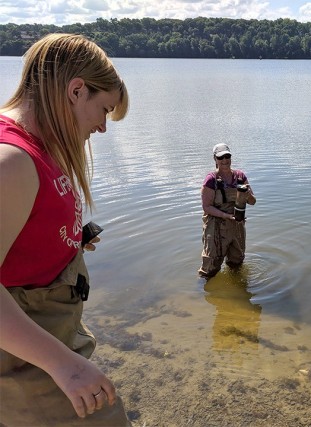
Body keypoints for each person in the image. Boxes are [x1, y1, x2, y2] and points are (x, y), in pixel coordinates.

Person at [0, 34, 130, 425]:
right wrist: (65, 367)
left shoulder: (39, 148)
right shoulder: (11, 162)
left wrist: (69, 238)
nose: (103, 127)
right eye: (104, 109)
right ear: (76, 90)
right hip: (27, 357)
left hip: (45, 337)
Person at [198, 143, 256, 279]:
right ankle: (201, 292)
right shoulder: (211, 180)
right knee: (211, 266)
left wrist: (247, 194)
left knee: (237, 263)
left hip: (237, 225)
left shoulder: (240, 176)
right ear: (215, 159)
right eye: (220, 157)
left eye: (227, 156)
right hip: (216, 226)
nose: (224, 160)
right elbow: (206, 207)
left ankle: (235, 288)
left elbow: (253, 202)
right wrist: (225, 215)